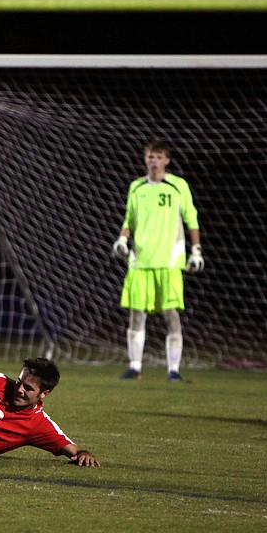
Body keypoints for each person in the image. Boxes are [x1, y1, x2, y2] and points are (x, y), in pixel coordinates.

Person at [112, 139, 203, 383]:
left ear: (167, 161)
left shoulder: (178, 185)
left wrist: (196, 250)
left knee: (171, 314)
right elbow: (130, 219)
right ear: (145, 159)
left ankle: (173, 370)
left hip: (169, 261)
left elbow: (191, 218)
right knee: (136, 314)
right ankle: (135, 367)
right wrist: (122, 239)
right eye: (151, 157)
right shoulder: (136, 187)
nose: (154, 161)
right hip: (140, 260)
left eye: (159, 157)